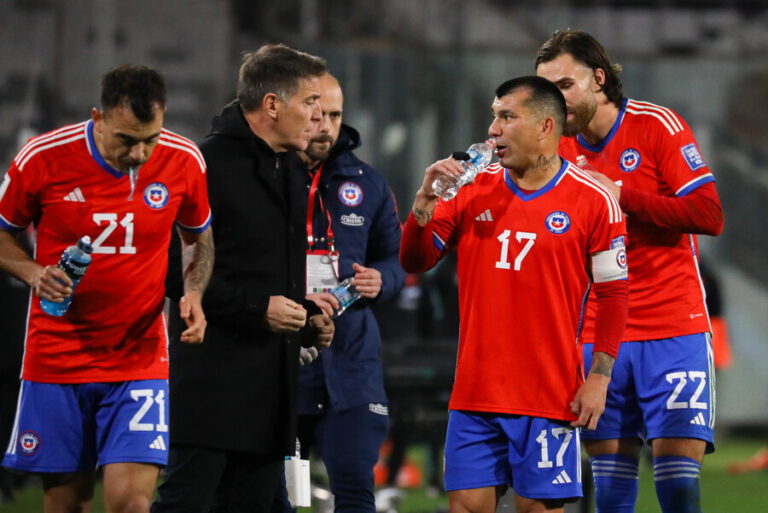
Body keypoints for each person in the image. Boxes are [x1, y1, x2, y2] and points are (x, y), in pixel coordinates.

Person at [399, 76, 629, 513]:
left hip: (548, 395)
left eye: (506, 116)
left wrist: (599, 377)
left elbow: (614, 295)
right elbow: (416, 260)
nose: (493, 129)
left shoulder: (595, 198)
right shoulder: (469, 184)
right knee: (465, 507)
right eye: (493, 116)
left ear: (545, 127)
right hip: (475, 394)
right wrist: (423, 202)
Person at [0, 64, 213, 513]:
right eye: (126, 140)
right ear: (98, 117)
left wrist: (193, 291)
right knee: (66, 505)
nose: (139, 154)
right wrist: (33, 272)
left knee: (131, 506)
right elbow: (2, 231)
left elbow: (198, 239)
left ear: (163, 116)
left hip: (138, 355)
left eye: (149, 140)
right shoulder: (42, 157)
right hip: (57, 355)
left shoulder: (184, 159)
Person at [535, 29, 725, 513]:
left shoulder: (657, 125)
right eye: (545, 90)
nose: (554, 102)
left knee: (679, 486)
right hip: (598, 334)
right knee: (613, 493)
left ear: (599, 79)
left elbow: (709, 215)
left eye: (564, 86)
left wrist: (621, 197)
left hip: (672, 326)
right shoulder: (551, 148)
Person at [152, 43, 334, 513]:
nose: (319, 117)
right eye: (310, 102)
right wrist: (258, 309)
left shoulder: (291, 169)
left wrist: (308, 316)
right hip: (212, 387)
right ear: (272, 105)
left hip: (271, 393)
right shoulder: (205, 165)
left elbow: (274, 275)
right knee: (184, 505)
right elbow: (174, 269)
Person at [276, 72, 406, 512]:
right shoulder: (266, 176)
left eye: (335, 115)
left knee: (354, 488)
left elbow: (397, 258)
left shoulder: (368, 183)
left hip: (350, 364)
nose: (327, 126)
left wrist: (382, 280)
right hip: (283, 361)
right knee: (279, 496)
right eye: (316, 115)